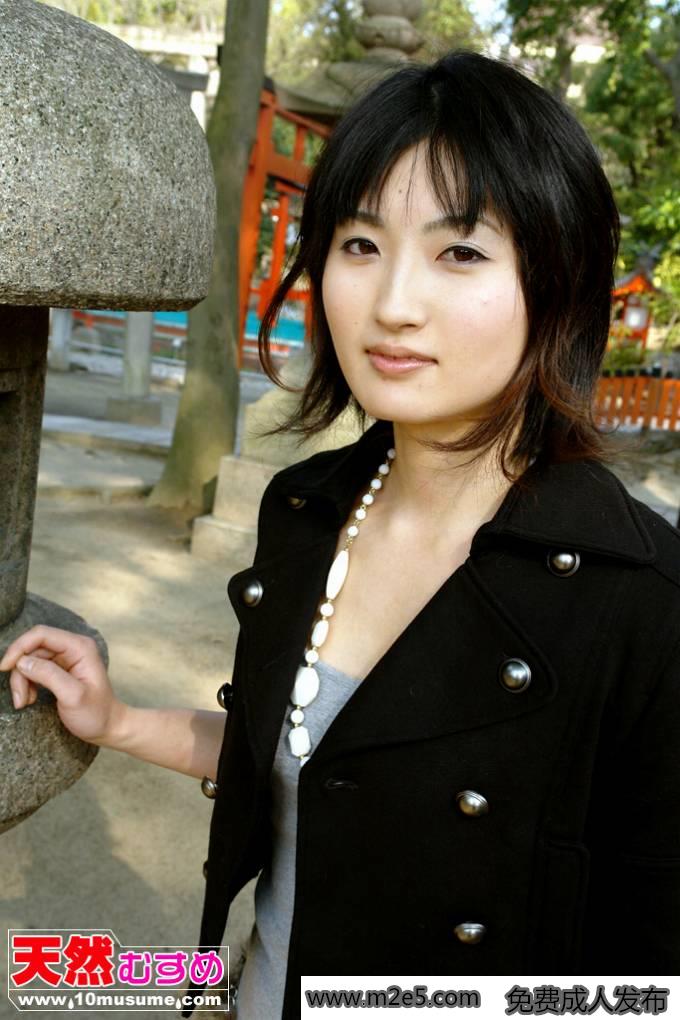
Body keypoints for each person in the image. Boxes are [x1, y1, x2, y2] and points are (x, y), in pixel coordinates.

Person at [2, 48, 680, 1020]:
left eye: (460, 253)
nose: (391, 304)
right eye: (359, 244)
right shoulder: (307, 510)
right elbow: (316, 762)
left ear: (558, 284)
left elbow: (646, 982)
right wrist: (119, 721)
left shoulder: (642, 602)